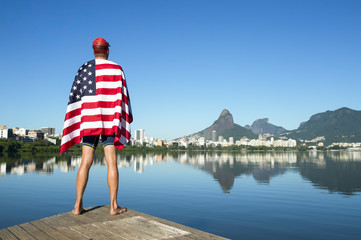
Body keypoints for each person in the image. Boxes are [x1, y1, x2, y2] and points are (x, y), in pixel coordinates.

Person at [60, 37, 133, 215]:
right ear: (107, 50)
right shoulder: (117, 69)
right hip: (110, 121)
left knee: (85, 162)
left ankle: (78, 206)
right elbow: (123, 97)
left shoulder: (84, 68)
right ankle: (114, 207)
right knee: (112, 163)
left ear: (93, 51)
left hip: (89, 121)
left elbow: (76, 97)